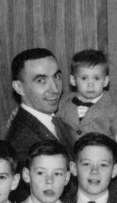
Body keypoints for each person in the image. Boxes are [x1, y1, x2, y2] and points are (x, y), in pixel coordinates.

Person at [6, 49, 74, 189]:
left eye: (57, 77)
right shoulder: (22, 141)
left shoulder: (57, 120)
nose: (55, 89)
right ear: (19, 87)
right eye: (41, 80)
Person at [58, 49, 117, 139]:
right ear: (73, 80)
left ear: (105, 81)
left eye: (96, 78)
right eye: (84, 78)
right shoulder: (62, 103)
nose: (91, 84)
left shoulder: (116, 109)